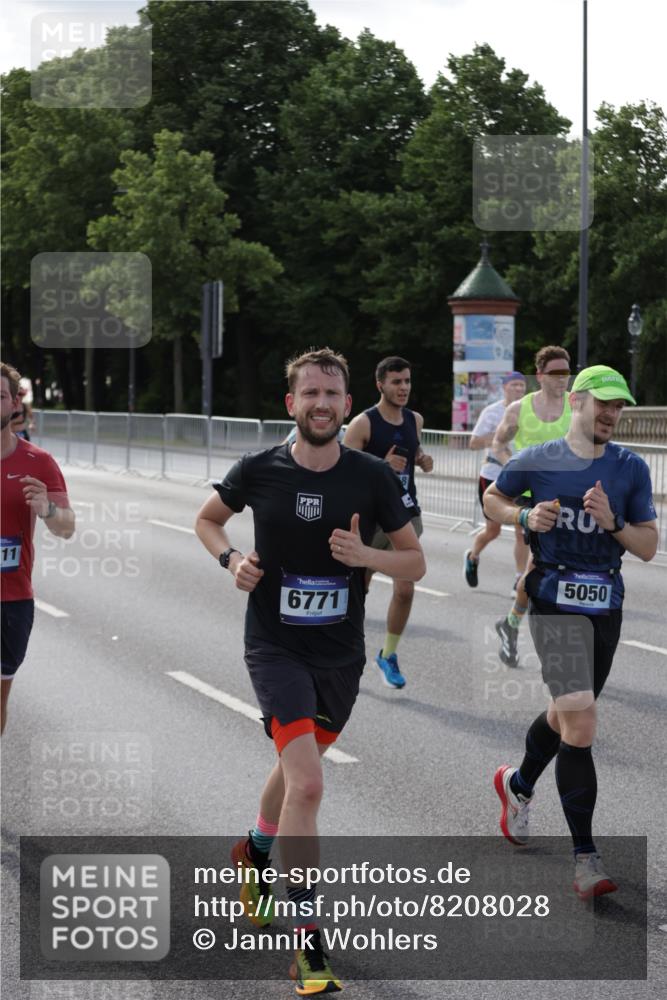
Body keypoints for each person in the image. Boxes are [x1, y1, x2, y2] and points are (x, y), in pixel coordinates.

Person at [194, 348, 424, 995]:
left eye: (331, 394)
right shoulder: (260, 469)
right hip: (274, 646)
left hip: (340, 655)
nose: (320, 404)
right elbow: (208, 520)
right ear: (289, 403)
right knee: (310, 784)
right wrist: (230, 560)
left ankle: (254, 851)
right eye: (309, 394)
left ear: (346, 404)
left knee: (298, 773)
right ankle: (309, 944)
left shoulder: (370, 477)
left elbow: (416, 564)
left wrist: (366, 554)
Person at [483, 365, 657, 898]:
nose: (610, 414)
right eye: (602, 403)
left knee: (566, 715)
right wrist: (524, 516)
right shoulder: (539, 458)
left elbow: (647, 546)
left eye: (619, 406)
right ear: (577, 401)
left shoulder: (630, 468)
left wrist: (612, 524)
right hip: (552, 599)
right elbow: (492, 498)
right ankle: (586, 859)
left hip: (605, 604)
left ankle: (517, 785)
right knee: (581, 724)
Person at [343, 357, 433, 688]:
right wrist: (380, 464)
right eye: (396, 382)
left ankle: (388, 655)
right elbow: (345, 471)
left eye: (407, 381)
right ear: (380, 384)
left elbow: (414, 451)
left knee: (406, 588)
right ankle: (349, 650)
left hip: (404, 513)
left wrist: (422, 460)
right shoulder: (363, 424)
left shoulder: (415, 419)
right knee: (358, 588)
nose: (404, 387)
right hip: (370, 518)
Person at [1, 362, 75, 734]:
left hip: (11, 599)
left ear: (15, 403)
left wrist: (46, 508)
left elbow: (66, 527)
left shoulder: (38, 463)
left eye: (0, 396)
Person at [491, 346, 572, 667]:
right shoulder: (518, 410)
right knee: (542, 563)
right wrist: (514, 467)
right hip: (534, 497)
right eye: (555, 373)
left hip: (572, 496)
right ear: (540, 376)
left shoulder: (577, 406)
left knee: (553, 566)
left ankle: (511, 624)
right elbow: (498, 443)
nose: (561, 379)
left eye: (566, 372)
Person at [464, 372, 528, 591]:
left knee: (522, 530)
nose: (519, 389)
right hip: (493, 476)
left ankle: (520, 579)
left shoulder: (531, 411)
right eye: (514, 385)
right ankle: (472, 556)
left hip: (521, 480)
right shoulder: (492, 412)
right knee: (493, 531)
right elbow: (473, 442)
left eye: (522, 385)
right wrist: (501, 435)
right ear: (504, 387)